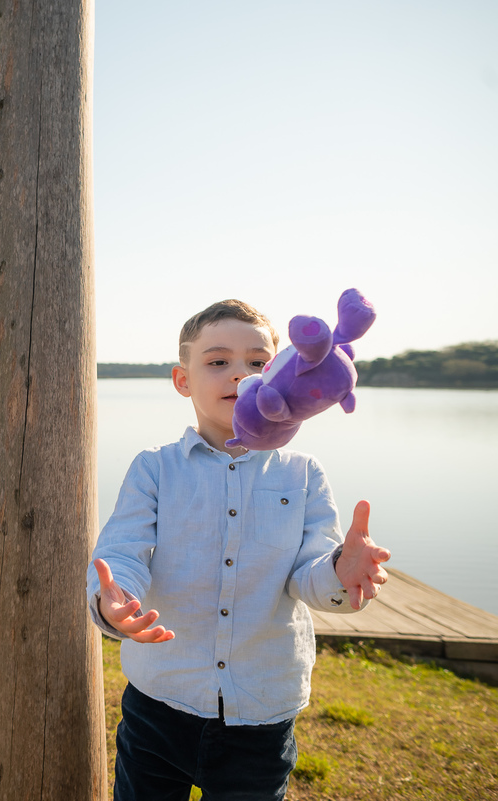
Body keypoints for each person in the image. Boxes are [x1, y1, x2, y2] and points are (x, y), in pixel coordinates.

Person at [86, 299, 392, 801]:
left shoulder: (303, 473)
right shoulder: (154, 469)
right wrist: (114, 599)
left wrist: (341, 568)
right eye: (217, 361)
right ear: (183, 380)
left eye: (257, 362)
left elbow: (308, 575)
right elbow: (124, 552)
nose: (239, 374)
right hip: (160, 701)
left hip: (262, 710)